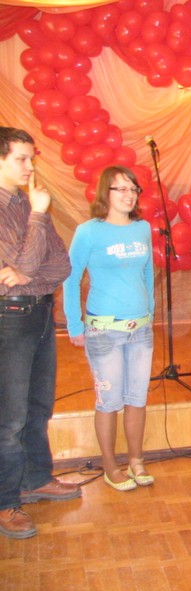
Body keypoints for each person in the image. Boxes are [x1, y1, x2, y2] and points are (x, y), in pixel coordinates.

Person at [0, 127, 79, 540]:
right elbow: (23, 262)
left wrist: (27, 274)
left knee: (38, 407)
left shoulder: (28, 203)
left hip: (41, 312)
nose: (30, 166)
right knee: (9, 418)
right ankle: (5, 501)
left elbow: (60, 265)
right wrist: (37, 214)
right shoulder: (29, 206)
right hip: (9, 317)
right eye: (21, 159)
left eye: (32, 158)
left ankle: (35, 479)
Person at [63, 166, 155, 492]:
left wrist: (150, 311)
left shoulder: (143, 228)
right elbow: (71, 279)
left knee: (137, 399)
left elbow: (148, 273)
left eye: (133, 189)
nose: (129, 195)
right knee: (109, 401)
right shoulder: (89, 232)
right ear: (106, 192)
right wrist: (74, 324)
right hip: (104, 332)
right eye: (121, 189)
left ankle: (136, 460)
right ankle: (110, 466)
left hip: (140, 330)